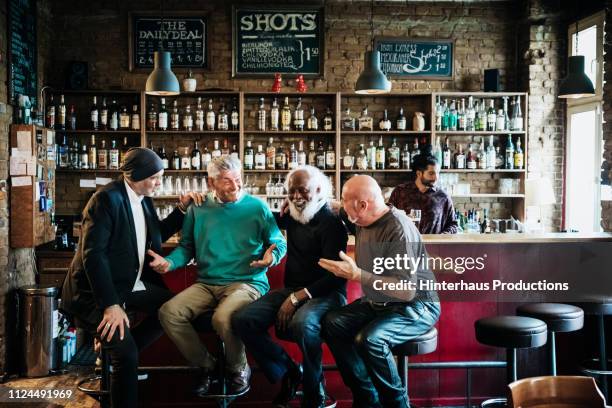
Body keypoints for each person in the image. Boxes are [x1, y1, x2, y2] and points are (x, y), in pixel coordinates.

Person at [60, 147, 202, 407]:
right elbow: (94, 255)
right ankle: (119, 354)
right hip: (94, 293)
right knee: (127, 357)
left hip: (128, 285)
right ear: (136, 174)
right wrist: (111, 306)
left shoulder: (143, 197)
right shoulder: (106, 199)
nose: (159, 183)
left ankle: (115, 350)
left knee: (172, 311)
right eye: (155, 177)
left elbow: (155, 233)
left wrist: (181, 210)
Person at [147, 156, 287, 395]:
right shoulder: (198, 209)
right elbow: (187, 248)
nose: (235, 186)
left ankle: (238, 369)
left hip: (247, 282)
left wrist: (270, 258)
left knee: (223, 318)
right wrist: (169, 263)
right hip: (207, 283)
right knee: (169, 313)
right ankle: (208, 366)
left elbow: (278, 243)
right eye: (227, 181)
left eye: (238, 179)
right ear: (211, 183)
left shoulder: (257, 207)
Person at [319, 175, 440, 408]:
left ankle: (398, 403)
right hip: (380, 302)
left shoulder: (398, 229)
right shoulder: (360, 215)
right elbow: (334, 206)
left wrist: (357, 275)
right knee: (332, 322)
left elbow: (405, 291)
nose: (341, 205)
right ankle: (367, 397)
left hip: (417, 305)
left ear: (363, 205)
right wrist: (305, 200)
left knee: (370, 340)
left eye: (345, 200)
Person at [232, 165, 348, 408]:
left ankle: (313, 392)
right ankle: (291, 371)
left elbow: (336, 277)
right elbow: (261, 219)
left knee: (303, 324)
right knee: (243, 319)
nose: (296, 197)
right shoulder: (293, 215)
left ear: (318, 190)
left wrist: (296, 298)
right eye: (291, 191)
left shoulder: (332, 224)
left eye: (302, 191)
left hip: (327, 294)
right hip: (293, 290)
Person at [388, 152, 458, 234]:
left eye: (438, 173)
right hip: (406, 244)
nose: (436, 178)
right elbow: (388, 220)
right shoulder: (400, 192)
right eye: (431, 173)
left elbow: (453, 225)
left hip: (433, 245)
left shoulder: (443, 197)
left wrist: (443, 236)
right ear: (419, 174)